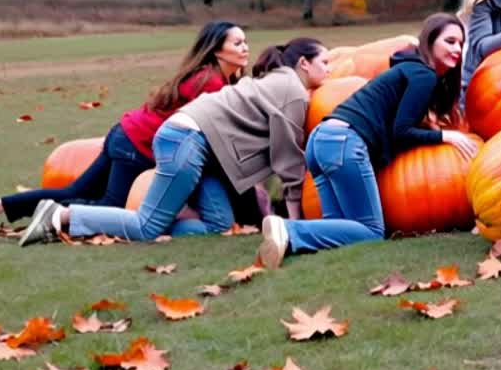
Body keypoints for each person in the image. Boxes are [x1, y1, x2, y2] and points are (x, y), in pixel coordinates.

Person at [17, 37, 329, 246]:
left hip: (199, 146)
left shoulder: (277, 82)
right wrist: (296, 224)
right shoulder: (293, 92)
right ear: (304, 63)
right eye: (324, 63)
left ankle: (159, 220)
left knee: (218, 224)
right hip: (186, 140)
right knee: (145, 226)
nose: (328, 71)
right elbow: (289, 162)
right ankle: (62, 216)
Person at [0, 21, 250, 241]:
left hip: (124, 133)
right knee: (111, 205)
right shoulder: (210, 83)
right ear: (216, 50)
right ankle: (54, 217)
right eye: (237, 43)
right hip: (136, 147)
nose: (245, 48)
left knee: (75, 191)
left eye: (245, 42)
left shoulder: (205, 77)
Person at [256, 14, 479, 267]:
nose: (457, 49)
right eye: (450, 41)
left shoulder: (407, 68)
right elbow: (401, 133)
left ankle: (285, 241)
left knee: (337, 232)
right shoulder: (424, 75)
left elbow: (397, 120)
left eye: (461, 43)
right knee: (371, 230)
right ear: (429, 41)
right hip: (344, 143)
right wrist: (445, 135)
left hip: (321, 141)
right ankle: (288, 228)